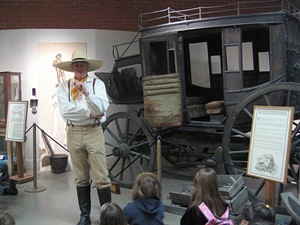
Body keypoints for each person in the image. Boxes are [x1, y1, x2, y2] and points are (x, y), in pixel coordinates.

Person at [56, 49, 111, 225]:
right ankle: (84, 216)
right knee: (80, 176)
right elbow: (66, 112)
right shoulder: (64, 87)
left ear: (88, 67)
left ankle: (107, 217)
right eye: (76, 64)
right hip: (73, 132)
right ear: (72, 67)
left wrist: (87, 93)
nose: (79, 67)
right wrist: (89, 113)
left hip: (94, 132)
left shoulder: (97, 84)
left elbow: (102, 109)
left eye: (82, 64)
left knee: (101, 176)